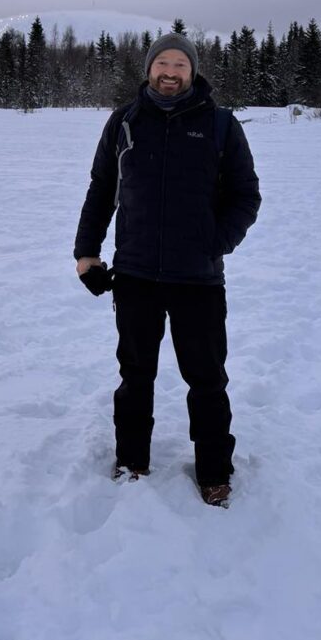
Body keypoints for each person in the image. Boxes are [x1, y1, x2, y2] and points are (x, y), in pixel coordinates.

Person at [73, 34, 261, 506]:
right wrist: (86, 252)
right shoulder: (124, 122)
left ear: (192, 71)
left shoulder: (220, 125)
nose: (170, 71)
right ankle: (132, 460)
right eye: (162, 62)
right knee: (135, 375)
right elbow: (102, 189)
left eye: (180, 63)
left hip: (197, 279)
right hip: (134, 274)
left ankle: (215, 471)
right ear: (149, 68)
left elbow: (245, 195)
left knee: (207, 379)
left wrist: (214, 243)